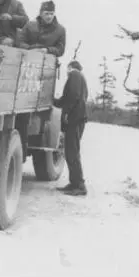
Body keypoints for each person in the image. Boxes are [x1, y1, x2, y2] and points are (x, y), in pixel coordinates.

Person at [53, 60, 89, 196]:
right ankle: (74, 183)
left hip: (75, 119)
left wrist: (67, 113)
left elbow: (73, 96)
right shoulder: (80, 78)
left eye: (67, 68)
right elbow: (67, 98)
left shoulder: (75, 75)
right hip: (77, 119)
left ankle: (80, 186)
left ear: (71, 67)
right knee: (70, 152)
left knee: (72, 152)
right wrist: (54, 101)